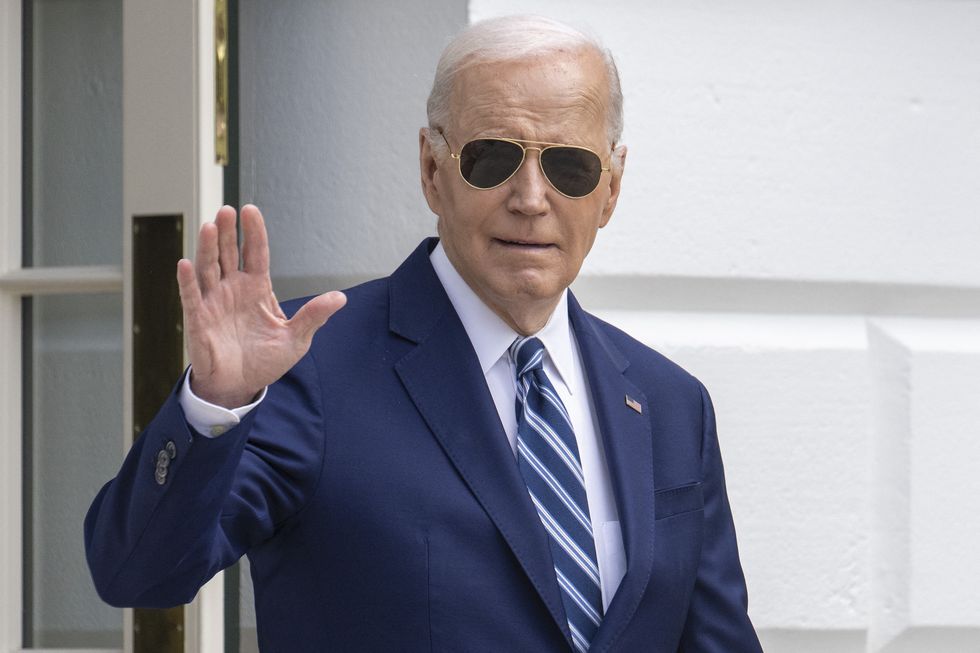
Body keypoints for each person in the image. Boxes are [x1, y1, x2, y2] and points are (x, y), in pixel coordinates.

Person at [85, 15, 762, 652]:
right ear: (432, 169)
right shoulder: (307, 369)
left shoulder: (671, 405)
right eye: (492, 159)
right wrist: (214, 407)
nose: (530, 197)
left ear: (610, 189)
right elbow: (136, 575)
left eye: (569, 167)